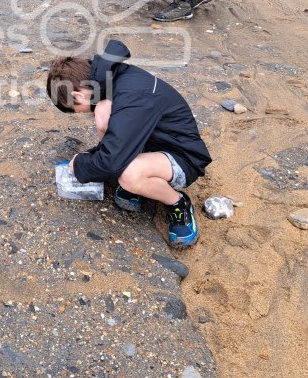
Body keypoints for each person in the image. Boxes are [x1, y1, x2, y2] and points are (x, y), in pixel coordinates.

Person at [46, 39, 211, 248]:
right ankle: (140, 182)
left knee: (129, 175)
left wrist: (81, 165)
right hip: (152, 144)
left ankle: (177, 202)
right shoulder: (112, 79)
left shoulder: (132, 98)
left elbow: (110, 162)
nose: (80, 113)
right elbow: (118, 138)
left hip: (183, 158)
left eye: (75, 110)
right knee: (104, 119)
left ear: (77, 95)